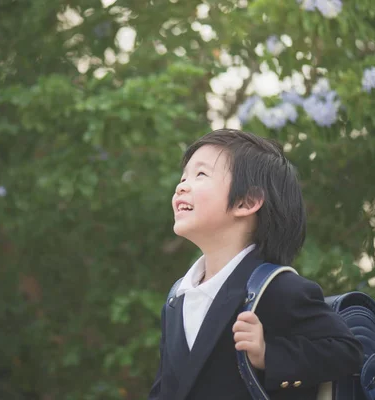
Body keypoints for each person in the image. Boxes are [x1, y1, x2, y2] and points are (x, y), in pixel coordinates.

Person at [148, 129, 363, 400]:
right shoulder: (177, 298)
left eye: (200, 175)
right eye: (183, 177)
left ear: (247, 201)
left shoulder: (277, 287)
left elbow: (347, 352)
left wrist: (267, 354)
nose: (181, 185)